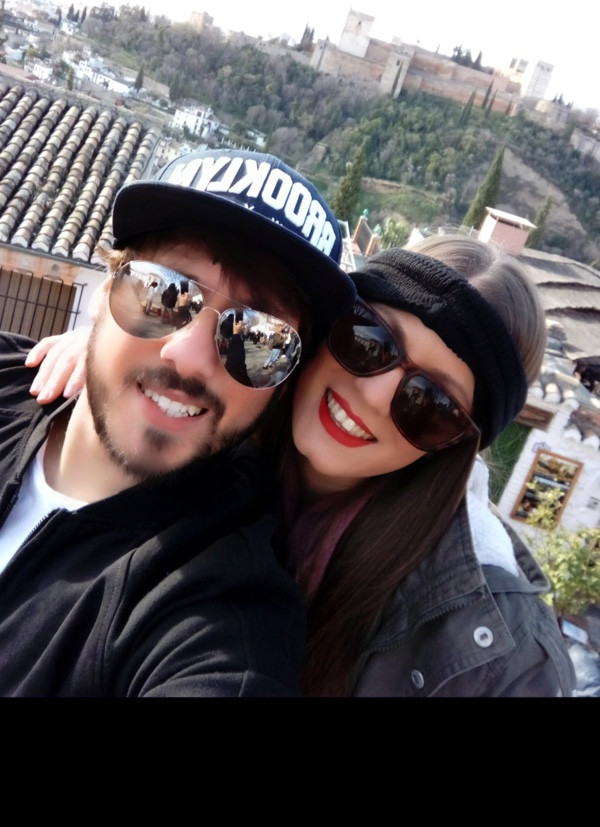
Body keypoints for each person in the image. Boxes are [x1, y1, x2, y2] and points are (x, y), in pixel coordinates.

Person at [29, 232, 576, 697]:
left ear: (453, 445)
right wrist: (111, 356)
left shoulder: (500, 659)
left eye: (429, 402)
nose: (374, 396)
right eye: (369, 340)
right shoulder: (230, 414)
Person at [0, 146, 355, 697]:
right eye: (163, 291)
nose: (189, 358)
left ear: (281, 386)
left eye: (258, 338)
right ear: (104, 292)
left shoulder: (221, 615)